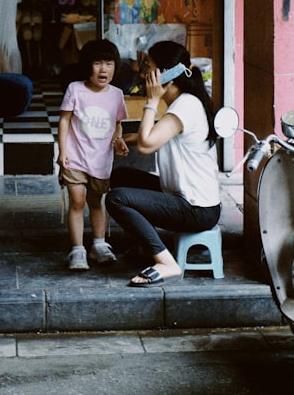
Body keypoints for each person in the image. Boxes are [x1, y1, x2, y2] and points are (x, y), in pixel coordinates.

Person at [106, 40, 221, 287]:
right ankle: (142, 246)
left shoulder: (186, 105)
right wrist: (129, 138)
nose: (142, 71)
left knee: (116, 198)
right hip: (182, 197)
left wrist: (151, 100)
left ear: (166, 73)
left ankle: (165, 262)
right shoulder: (184, 103)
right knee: (121, 176)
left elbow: (148, 145)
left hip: (196, 209)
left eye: (148, 65)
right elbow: (154, 137)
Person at [57, 39, 129, 270]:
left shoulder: (117, 94)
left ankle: (99, 245)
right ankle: (77, 250)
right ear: (87, 66)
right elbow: (65, 119)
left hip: (101, 159)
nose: (103, 69)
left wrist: (118, 141)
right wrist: (63, 150)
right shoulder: (75, 89)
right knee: (77, 200)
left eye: (109, 63)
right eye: (97, 63)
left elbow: (117, 124)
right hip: (75, 157)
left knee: (97, 202)